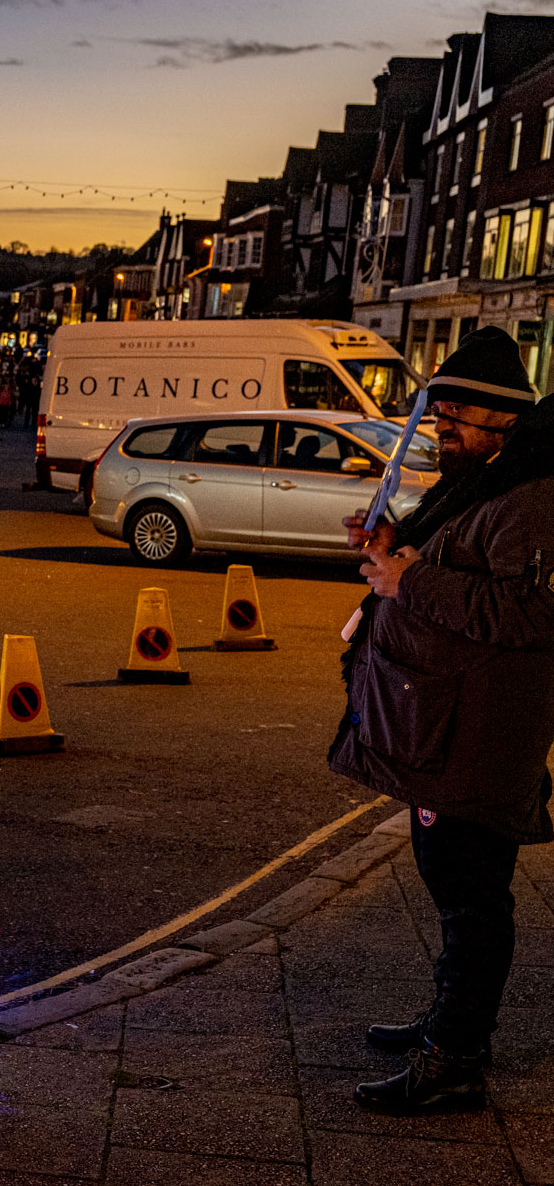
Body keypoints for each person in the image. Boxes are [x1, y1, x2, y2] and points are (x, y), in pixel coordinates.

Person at [333, 327, 554, 1115]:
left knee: (472, 892)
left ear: (502, 419)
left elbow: (533, 612)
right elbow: (443, 565)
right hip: (450, 727)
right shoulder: (485, 479)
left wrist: (410, 578)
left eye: (455, 415)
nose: (441, 428)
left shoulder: (533, 495)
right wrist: (395, 546)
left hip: (483, 735)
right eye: (439, 414)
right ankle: (452, 1023)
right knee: (452, 876)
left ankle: (455, 1056)